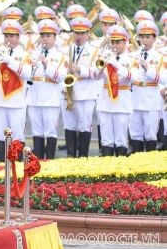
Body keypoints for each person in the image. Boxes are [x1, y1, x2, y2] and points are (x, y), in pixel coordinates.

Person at [0, 19, 32, 162]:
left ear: (18, 37)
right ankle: (3, 167)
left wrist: (9, 61)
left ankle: (18, 168)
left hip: (16, 100)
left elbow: (27, 73)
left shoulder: (24, 55)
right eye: (6, 36)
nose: (9, 39)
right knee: (0, 134)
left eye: (12, 36)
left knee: (16, 135)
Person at [95, 25, 138, 156]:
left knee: (121, 139)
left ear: (125, 41)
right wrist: (101, 67)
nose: (114, 45)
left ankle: (120, 172)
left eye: (118, 42)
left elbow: (133, 77)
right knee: (106, 140)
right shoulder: (106, 56)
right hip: (106, 102)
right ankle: (106, 172)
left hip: (122, 102)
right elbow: (95, 76)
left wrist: (116, 64)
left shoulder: (132, 59)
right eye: (112, 42)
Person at [26, 20, 66, 160]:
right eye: (43, 36)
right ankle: (36, 163)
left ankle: (49, 162)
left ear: (55, 37)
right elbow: (26, 74)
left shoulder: (60, 56)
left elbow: (60, 76)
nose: (45, 39)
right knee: (36, 132)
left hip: (50, 99)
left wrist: (45, 65)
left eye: (48, 36)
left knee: (50, 132)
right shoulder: (33, 54)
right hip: (34, 97)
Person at [62, 17, 101, 158]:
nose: (78, 36)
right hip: (68, 93)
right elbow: (59, 70)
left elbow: (97, 73)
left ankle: (83, 157)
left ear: (88, 34)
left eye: (82, 33)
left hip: (86, 93)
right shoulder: (65, 49)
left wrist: (79, 69)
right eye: (76, 33)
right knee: (69, 126)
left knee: (84, 126)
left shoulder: (94, 51)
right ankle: (71, 157)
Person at [129, 20, 164, 152]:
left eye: (148, 37)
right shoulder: (133, 55)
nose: (144, 40)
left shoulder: (160, 57)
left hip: (151, 98)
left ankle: (149, 167)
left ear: (154, 38)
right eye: (142, 37)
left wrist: (148, 69)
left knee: (150, 134)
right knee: (135, 133)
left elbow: (164, 78)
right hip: (136, 97)